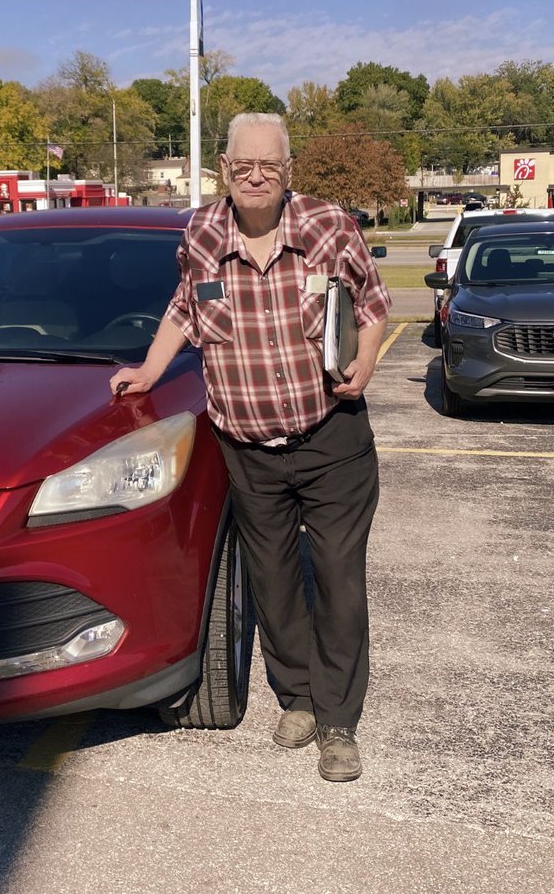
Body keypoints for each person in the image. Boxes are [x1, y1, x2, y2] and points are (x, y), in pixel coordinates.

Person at [108, 112, 389, 782]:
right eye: (243, 166)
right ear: (225, 169)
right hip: (246, 445)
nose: (256, 176)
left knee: (340, 584)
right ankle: (295, 697)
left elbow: (374, 304)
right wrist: (149, 371)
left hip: (332, 436)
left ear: (288, 171)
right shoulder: (202, 232)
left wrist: (368, 361)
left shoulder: (328, 227)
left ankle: (338, 722)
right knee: (273, 581)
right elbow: (184, 307)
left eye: (269, 165)